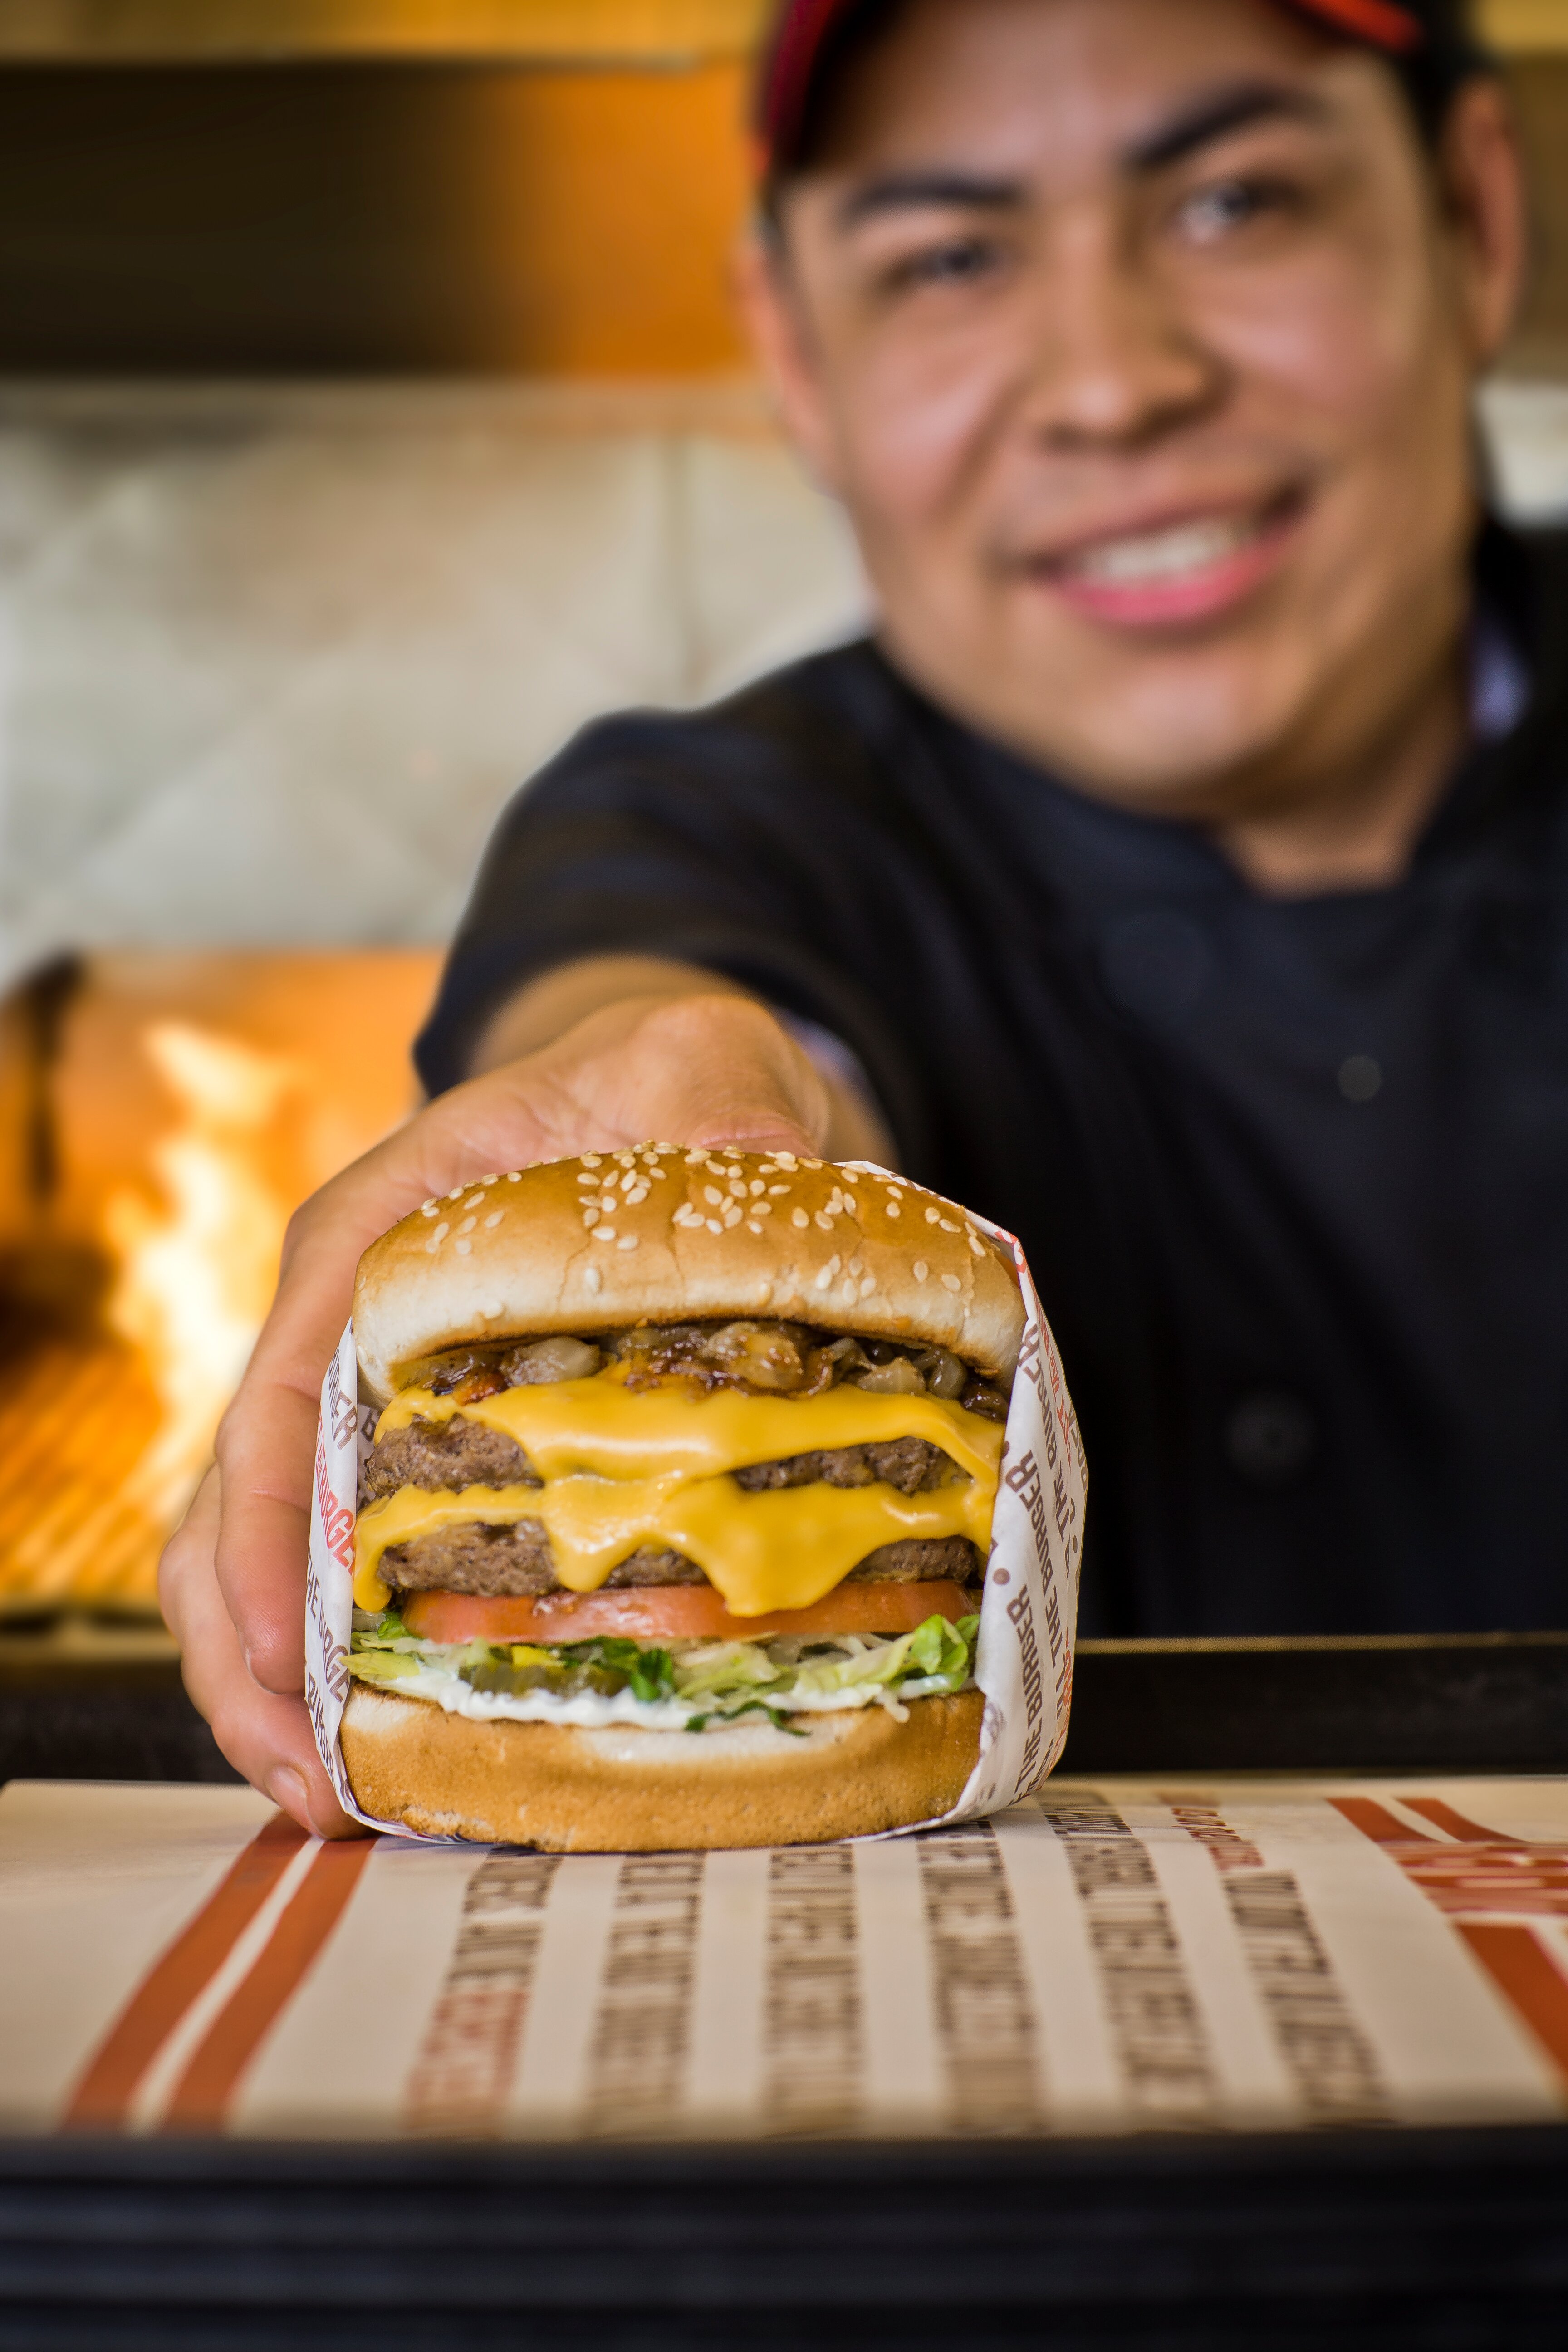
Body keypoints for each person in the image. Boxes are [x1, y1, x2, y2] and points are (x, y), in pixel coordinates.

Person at [162, 0, 1558, 1839]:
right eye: (951, 257)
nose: (1111, 384)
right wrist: (695, 1090)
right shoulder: (715, 820)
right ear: (796, 355)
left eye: (1234, 202)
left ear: (1472, 221)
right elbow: (665, 984)